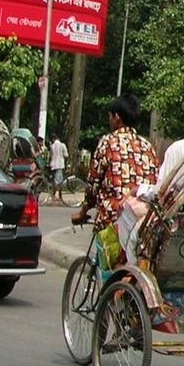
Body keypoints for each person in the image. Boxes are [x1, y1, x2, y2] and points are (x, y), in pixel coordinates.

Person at [70, 95, 159, 274]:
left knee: (109, 271)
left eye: (110, 116)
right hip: (145, 221)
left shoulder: (108, 143)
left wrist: (83, 211)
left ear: (116, 117)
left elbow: (93, 186)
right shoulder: (147, 146)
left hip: (115, 220)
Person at [48, 133, 68, 204]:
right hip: (59, 164)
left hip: (53, 165)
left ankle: (53, 195)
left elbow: (50, 155)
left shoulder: (52, 146)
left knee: (54, 181)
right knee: (59, 181)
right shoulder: (62, 145)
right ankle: (57, 195)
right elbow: (66, 155)